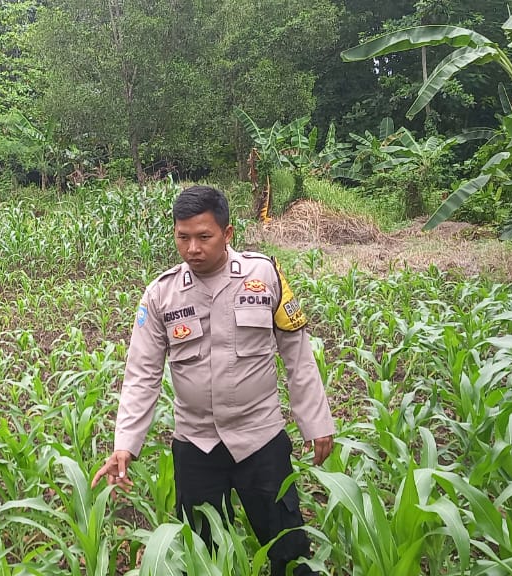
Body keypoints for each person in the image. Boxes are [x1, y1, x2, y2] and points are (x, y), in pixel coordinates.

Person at [91, 185, 335, 576]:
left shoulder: (264, 276)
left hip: (261, 439)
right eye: (183, 237)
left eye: (204, 236)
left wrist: (316, 422)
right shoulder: (161, 294)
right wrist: (125, 445)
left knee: (289, 550)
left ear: (227, 233)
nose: (192, 248)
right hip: (197, 444)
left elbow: (298, 355)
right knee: (202, 555)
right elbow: (141, 374)